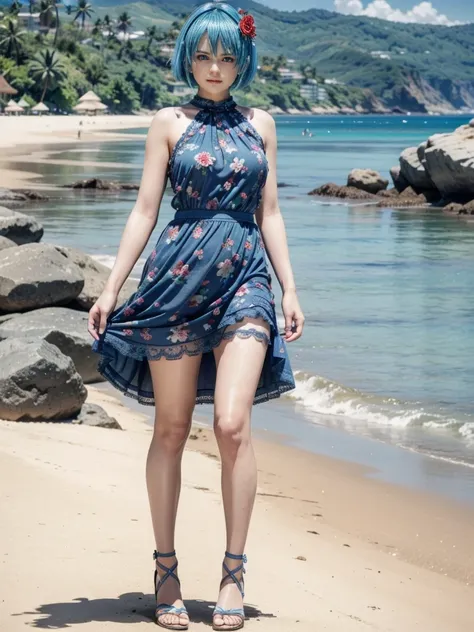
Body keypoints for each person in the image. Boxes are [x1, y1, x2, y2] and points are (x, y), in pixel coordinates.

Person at [88, 2, 304, 630]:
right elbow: (144, 211)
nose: (216, 67)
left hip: (245, 280)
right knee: (172, 431)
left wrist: (289, 288)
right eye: (205, 55)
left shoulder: (261, 123)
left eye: (228, 56)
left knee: (233, 425)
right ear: (188, 57)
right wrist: (109, 289)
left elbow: (270, 214)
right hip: (176, 282)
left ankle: (233, 572)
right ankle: (166, 569)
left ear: (243, 60)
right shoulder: (166, 122)